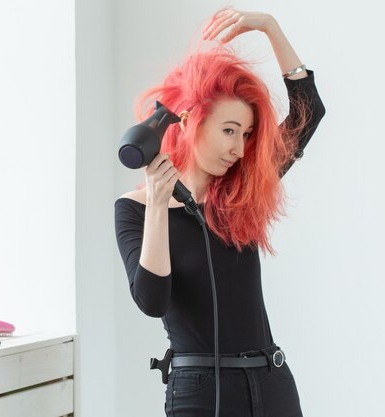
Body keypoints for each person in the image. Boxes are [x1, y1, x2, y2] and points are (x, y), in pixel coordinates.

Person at [114, 9, 325, 417]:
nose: (239, 148)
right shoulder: (134, 208)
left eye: (246, 134)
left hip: (272, 381)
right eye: (229, 130)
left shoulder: (241, 191)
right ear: (192, 121)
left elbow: (308, 110)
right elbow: (152, 300)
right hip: (198, 391)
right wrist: (158, 205)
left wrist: (269, 28)